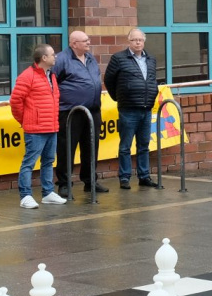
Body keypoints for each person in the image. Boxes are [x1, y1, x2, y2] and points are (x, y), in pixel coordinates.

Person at [104, 28, 162, 190]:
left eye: (140, 40)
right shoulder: (118, 58)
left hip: (146, 108)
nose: (138, 42)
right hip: (128, 109)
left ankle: (144, 176)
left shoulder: (151, 59)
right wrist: (119, 97)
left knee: (144, 145)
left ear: (144, 41)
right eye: (134, 40)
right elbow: (108, 80)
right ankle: (124, 177)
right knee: (125, 146)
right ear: (129, 41)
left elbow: (152, 79)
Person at [53, 30, 108, 198]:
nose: (88, 42)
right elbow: (51, 83)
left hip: (93, 110)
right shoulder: (61, 59)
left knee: (91, 146)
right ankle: (64, 184)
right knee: (66, 148)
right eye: (84, 40)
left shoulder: (90, 58)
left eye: (88, 39)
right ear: (73, 44)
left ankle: (90, 181)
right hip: (70, 112)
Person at [11, 42, 63, 209]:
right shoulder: (27, 76)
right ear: (44, 58)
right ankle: (25, 195)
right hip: (35, 129)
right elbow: (15, 101)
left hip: (51, 127)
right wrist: (26, 120)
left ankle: (48, 192)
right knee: (29, 163)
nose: (55, 57)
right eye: (52, 54)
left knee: (48, 161)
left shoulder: (51, 75)